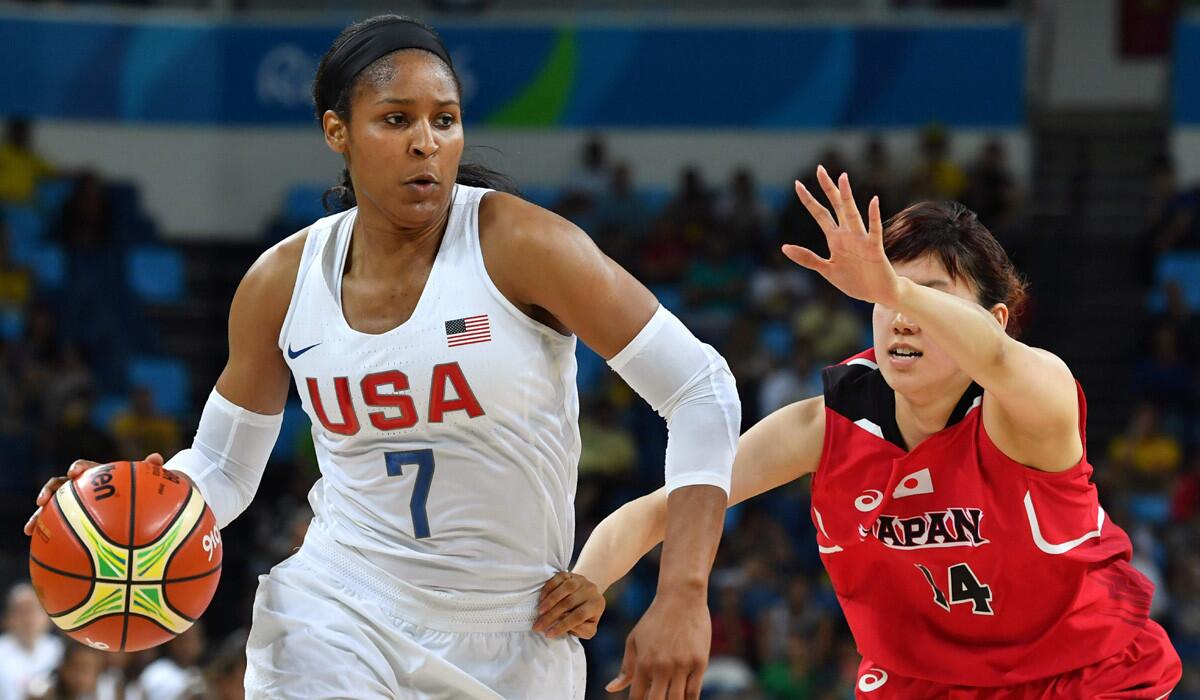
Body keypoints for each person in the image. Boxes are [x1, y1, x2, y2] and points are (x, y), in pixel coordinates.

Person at [25, 15, 738, 700]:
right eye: (396, 119)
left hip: (514, 632)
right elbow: (222, 467)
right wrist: (131, 512)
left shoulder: (523, 247)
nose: (426, 142)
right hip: (338, 608)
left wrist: (684, 592)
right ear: (337, 130)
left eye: (444, 120)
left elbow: (700, 389)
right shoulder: (281, 283)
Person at [540, 167, 1181, 697]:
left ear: (996, 318)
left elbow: (997, 358)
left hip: (1088, 676)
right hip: (923, 684)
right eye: (884, 300)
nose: (900, 315)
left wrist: (893, 283)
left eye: (926, 294)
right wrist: (586, 583)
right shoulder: (831, 421)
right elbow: (666, 507)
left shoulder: (1032, 402)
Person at [0, 583, 65, 700]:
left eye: (34, 610)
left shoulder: (58, 649)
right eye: (21, 612)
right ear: (7, 619)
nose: (29, 619)